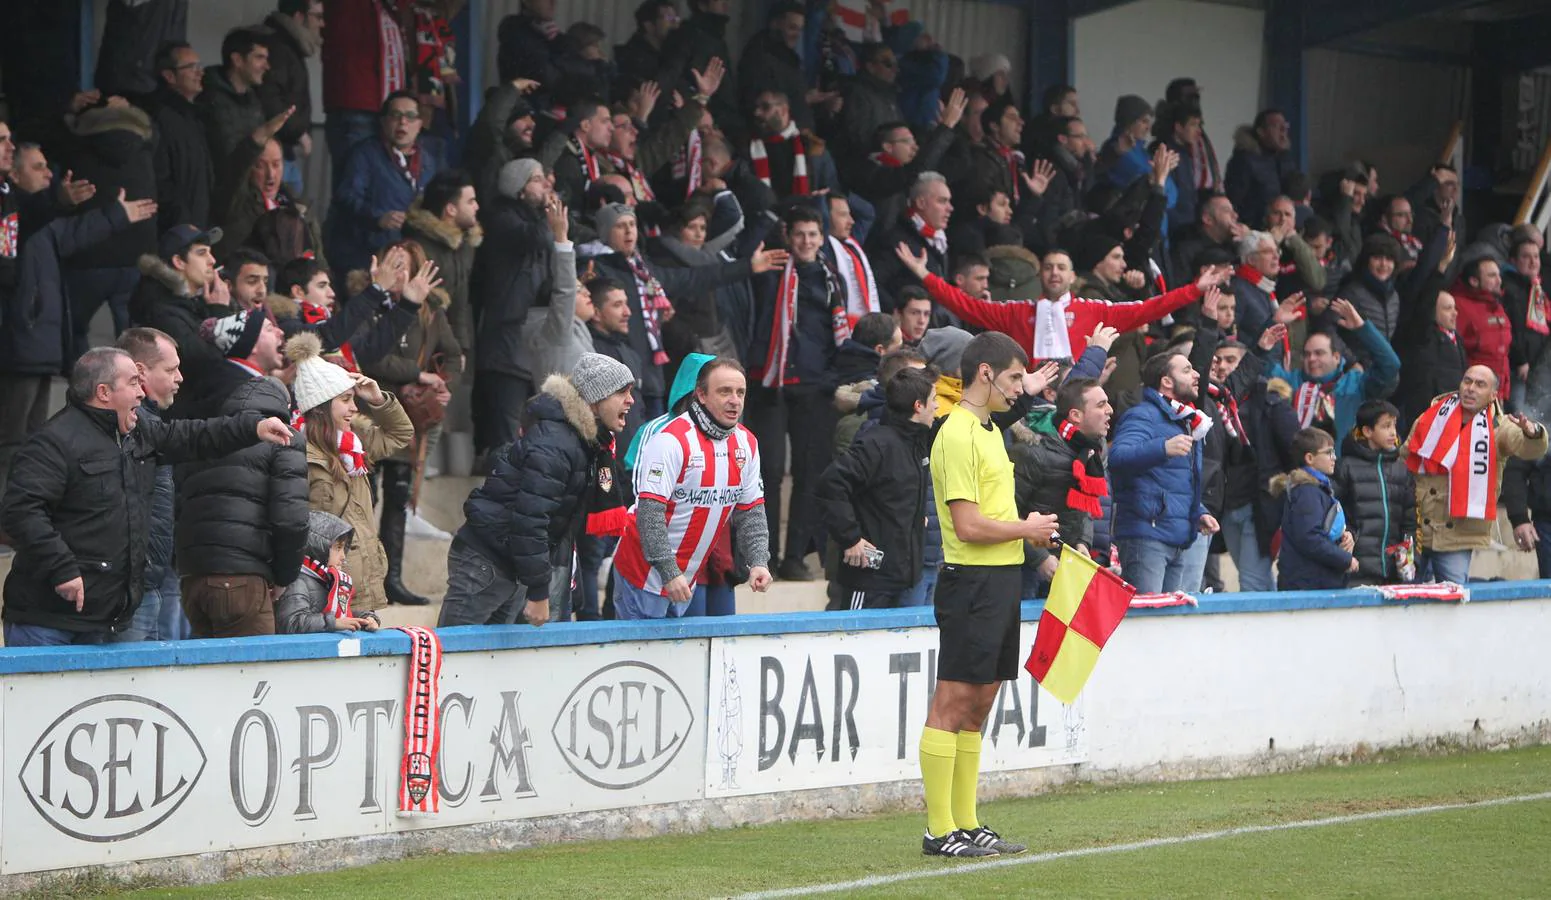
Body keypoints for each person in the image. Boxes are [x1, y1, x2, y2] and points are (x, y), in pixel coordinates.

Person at [0, 347, 291, 646]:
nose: (142, 393)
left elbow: (195, 436)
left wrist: (254, 428)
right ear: (103, 392)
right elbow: (21, 512)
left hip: (106, 621)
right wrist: (61, 568)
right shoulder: (53, 443)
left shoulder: (141, 432)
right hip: (46, 621)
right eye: (132, 383)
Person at [918, 331, 1057, 858]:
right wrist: (1027, 529)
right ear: (984, 374)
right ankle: (938, 830)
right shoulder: (955, 433)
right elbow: (970, 525)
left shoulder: (985, 427)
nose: (1020, 389)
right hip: (971, 580)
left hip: (1000, 580)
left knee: (981, 701)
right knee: (952, 701)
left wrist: (1027, 534)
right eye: (1015, 378)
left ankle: (966, 821)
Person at [443, 354, 634, 626]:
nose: (631, 401)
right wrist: (539, 592)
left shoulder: (587, 442)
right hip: (486, 563)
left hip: (515, 563)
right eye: (622, 392)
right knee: (452, 658)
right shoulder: (556, 445)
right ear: (596, 398)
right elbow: (530, 520)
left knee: (499, 664)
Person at [0, 188, 157, 492]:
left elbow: (72, 234)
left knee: (34, 438)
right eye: (38, 166)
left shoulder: (40, 225)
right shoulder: (22, 219)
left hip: (39, 346)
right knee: (13, 439)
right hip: (23, 344)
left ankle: (22, 510)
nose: (49, 175)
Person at [173, 310, 309, 638]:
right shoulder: (285, 436)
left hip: (194, 581)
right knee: (254, 683)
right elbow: (291, 519)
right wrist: (284, 577)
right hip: (243, 580)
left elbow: (180, 501)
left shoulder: (208, 429)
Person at [614, 357, 774, 618]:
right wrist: (669, 571)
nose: (735, 400)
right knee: (640, 657)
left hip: (684, 579)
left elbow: (750, 511)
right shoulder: (670, 440)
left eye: (740, 392)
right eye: (724, 391)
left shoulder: (747, 443)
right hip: (643, 574)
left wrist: (758, 561)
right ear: (701, 394)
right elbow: (649, 514)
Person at [897, 243, 1227, 363]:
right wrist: (924, 274)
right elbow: (966, 305)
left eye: (1061, 268)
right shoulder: (1018, 311)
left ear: (1072, 276)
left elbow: (1148, 308)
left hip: (1078, 402)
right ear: (1040, 274)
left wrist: (1194, 289)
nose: (1054, 273)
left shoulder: (1095, 310)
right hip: (1027, 401)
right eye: (1048, 267)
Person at [289, 333, 414, 615]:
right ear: (321, 407)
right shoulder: (295, 453)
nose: (355, 408)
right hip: (319, 588)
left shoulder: (355, 443)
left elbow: (401, 434)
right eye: (346, 400)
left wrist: (379, 398)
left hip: (361, 584)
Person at [1408, 366, 1548, 585]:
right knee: (1407, 599)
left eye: (1480, 384)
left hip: (1456, 537)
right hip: (1417, 529)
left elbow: (1527, 446)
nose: (1471, 388)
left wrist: (1532, 433)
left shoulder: (1500, 427)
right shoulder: (1432, 416)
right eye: (1467, 381)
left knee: (1453, 606)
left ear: (1493, 395)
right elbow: (1405, 458)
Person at [817, 366, 936, 610]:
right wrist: (850, 538)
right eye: (933, 400)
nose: (937, 406)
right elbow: (831, 483)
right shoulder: (876, 443)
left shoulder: (918, 441)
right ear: (918, 406)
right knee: (856, 643)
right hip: (869, 582)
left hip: (904, 580)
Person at [1108, 351, 1219, 593]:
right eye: (1187, 370)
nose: (1197, 375)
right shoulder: (1142, 415)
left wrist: (1198, 511)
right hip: (1147, 536)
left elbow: (1176, 479)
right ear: (1166, 381)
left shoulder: (1184, 419)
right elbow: (1117, 458)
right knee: (1147, 622)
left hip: (1178, 536)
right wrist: (1162, 448)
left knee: (1169, 623)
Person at [111, 327, 193, 642]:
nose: (180, 377)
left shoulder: (153, 424)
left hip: (159, 573)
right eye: (171, 370)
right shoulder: (127, 428)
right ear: (141, 371)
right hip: (134, 585)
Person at [1012, 374, 1112, 590]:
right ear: (1076, 415)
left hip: (1064, 562)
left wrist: (1082, 542)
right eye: (1101, 405)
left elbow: (1085, 504)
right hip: (1023, 567)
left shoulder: (1093, 451)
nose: (1110, 410)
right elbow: (1005, 511)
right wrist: (1039, 558)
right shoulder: (1034, 451)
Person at [327, 91, 442, 276]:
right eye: (396, 115)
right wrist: (378, 217)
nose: (403, 122)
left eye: (410, 116)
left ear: (420, 124)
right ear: (383, 121)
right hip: (368, 254)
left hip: (410, 256)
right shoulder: (364, 154)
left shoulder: (428, 161)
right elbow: (346, 196)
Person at [1262, 299, 1400, 448]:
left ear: (1336, 357)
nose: (1312, 359)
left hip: (1343, 466)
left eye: (1319, 353)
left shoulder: (1355, 384)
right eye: (1307, 354)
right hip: (1298, 467)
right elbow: (1262, 364)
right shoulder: (1289, 382)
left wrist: (1362, 328)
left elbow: (1390, 365)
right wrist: (1274, 323)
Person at [1333, 400, 1415, 586]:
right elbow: (1334, 513)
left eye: (1394, 425)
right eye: (1386, 426)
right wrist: (1348, 536)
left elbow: (1410, 521)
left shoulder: (1401, 469)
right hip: (1355, 571)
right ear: (1368, 431)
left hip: (1394, 571)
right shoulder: (1346, 467)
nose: (1393, 432)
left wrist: (1411, 559)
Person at [1271, 427, 1357, 591]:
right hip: (1307, 584)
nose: (1334, 458)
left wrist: (1343, 536)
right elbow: (1310, 537)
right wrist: (1344, 559)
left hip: (1316, 580)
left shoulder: (1318, 489)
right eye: (1328, 453)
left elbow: (1322, 528)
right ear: (1310, 458)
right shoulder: (1307, 492)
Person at [255, 0, 324, 194]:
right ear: (299, 16)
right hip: (276, 153)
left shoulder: (287, 45)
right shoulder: (278, 47)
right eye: (317, 17)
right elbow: (269, 97)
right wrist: (299, 132)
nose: (322, 24)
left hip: (282, 150)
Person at [275, 510, 381, 634]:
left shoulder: (324, 579)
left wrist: (366, 618)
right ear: (318, 548)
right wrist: (334, 623)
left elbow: (339, 613)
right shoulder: (297, 581)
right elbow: (292, 623)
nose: (343, 556)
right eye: (338, 548)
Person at [148, 42, 214, 230]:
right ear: (169, 76)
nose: (200, 72)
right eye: (191, 67)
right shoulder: (160, 117)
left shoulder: (194, 116)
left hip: (197, 224)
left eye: (199, 66)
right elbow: (161, 179)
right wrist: (181, 220)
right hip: (176, 229)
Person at [200, 28, 271, 186]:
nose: (267, 66)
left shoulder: (254, 101)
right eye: (259, 58)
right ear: (237, 60)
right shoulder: (209, 99)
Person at [1449, 257, 1512, 402]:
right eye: (1492, 275)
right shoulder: (1459, 306)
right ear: (1474, 281)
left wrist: (1504, 388)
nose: (1499, 280)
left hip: (1496, 393)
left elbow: (1502, 354)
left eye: (1499, 275)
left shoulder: (1496, 305)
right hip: (1473, 394)